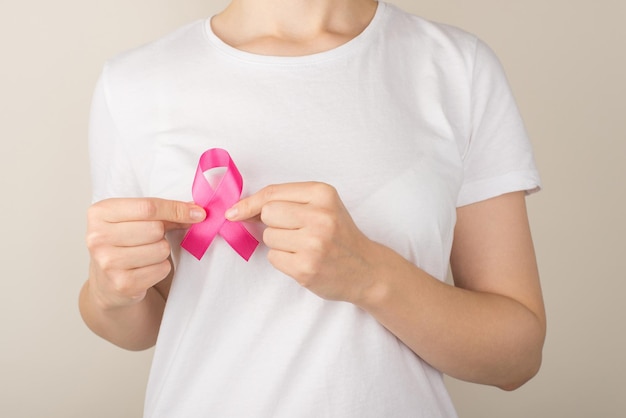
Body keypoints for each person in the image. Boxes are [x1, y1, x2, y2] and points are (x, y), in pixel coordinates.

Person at [79, 0, 546, 416]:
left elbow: (517, 358)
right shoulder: (135, 82)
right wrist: (108, 293)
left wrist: (371, 276)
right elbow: (142, 322)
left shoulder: (457, 68)